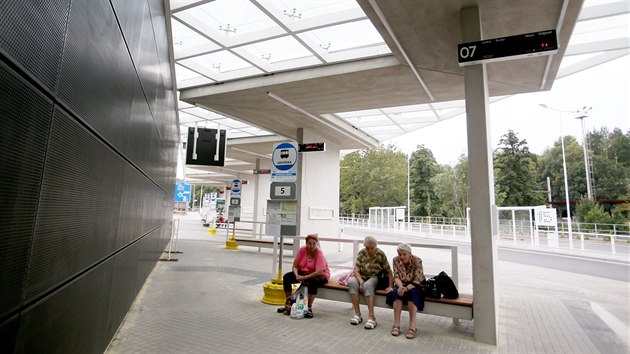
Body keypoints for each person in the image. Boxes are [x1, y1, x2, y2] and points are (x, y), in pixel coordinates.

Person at [277, 234, 329, 318]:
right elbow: (294, 266)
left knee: (314, 281)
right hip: (304, 273)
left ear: (316, 244)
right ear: (306, 243)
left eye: (314, 243)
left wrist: (304, 278)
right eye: (309, 243)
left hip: (320, 274)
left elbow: (319, 272)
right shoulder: (302, 250)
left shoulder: (319, 252)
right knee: (287, 277)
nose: (312, 246)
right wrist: (297, 275)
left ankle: (309, 307)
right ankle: (289, 303)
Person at [348, 236, 393, 329]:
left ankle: (371, 317)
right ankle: (357, 314)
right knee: (352, 282)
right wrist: (360, 281)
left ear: (375, 246)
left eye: (372, 248)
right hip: (362, 276)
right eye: (367, 248)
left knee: (368, 285)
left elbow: (389, 271)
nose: (369, 250)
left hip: (375, 276)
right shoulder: (362, 253)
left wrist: (390, 286)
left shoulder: (380, 254)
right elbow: (356, 269)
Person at [387, 243, 425, 339]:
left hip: (415, 285)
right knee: (396, 293)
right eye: (400, 254)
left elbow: (418, 279)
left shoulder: (417, 260)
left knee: (412, 295)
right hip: (401, 284)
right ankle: (396, 324)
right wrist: (400, 287)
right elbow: (396, 276)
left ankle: (412, 326)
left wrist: (406, 288)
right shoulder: (395, 260)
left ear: (409, 254)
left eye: (404, 254)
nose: (402, 257)